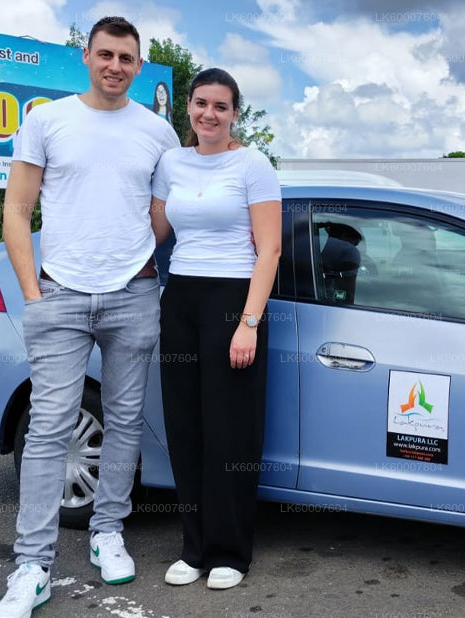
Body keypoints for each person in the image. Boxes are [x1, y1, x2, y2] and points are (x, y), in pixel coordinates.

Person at [0, 16, 180, 618]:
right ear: (87, 56)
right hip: (61, 295)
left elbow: (162, 213)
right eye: (106, 54)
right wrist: (32, 294)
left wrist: (135, 256)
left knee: (124, 421)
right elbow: (17, 209)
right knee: (49, 427)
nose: (115, 66)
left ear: (138, 65)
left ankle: (107, 532)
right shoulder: (47, 120)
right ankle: (32, 567)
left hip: (133, 295)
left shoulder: (157, 132)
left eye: (126, 58)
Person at [150, 68, 281, 591]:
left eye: (220, 106)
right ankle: (194, 547)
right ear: (188, 107)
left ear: (234, 114)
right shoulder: (171, 163)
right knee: (185, 428)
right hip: (180, 298)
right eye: (201, 103)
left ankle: (230, 551)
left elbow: (269, 249)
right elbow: (154, 231)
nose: (209, 114)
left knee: (231, 431)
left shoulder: (252, 164)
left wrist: (249, 322)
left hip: (233, 300)